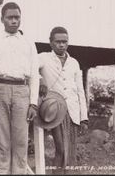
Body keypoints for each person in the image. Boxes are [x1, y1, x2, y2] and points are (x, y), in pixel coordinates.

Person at [0, 2, 39, 174]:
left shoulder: (28, 42)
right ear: (2, 19)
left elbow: (34, 74)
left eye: (17, 17)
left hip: (22, 91)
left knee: (21, 140)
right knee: (2, 140)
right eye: (10, 17)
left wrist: (33, 103)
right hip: (0, 88)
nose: (14, 21)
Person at [38, 27, 88, 174]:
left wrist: (83, 117)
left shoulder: (74, 63)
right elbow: (30, 69)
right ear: (51, 42)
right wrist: (41, 81)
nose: (61, 45)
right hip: (55, 110)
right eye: (58, 42)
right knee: (61, 148)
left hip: (73, 111)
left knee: (71, 150)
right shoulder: (43, 57)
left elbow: (80, 91)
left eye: (64, 42)